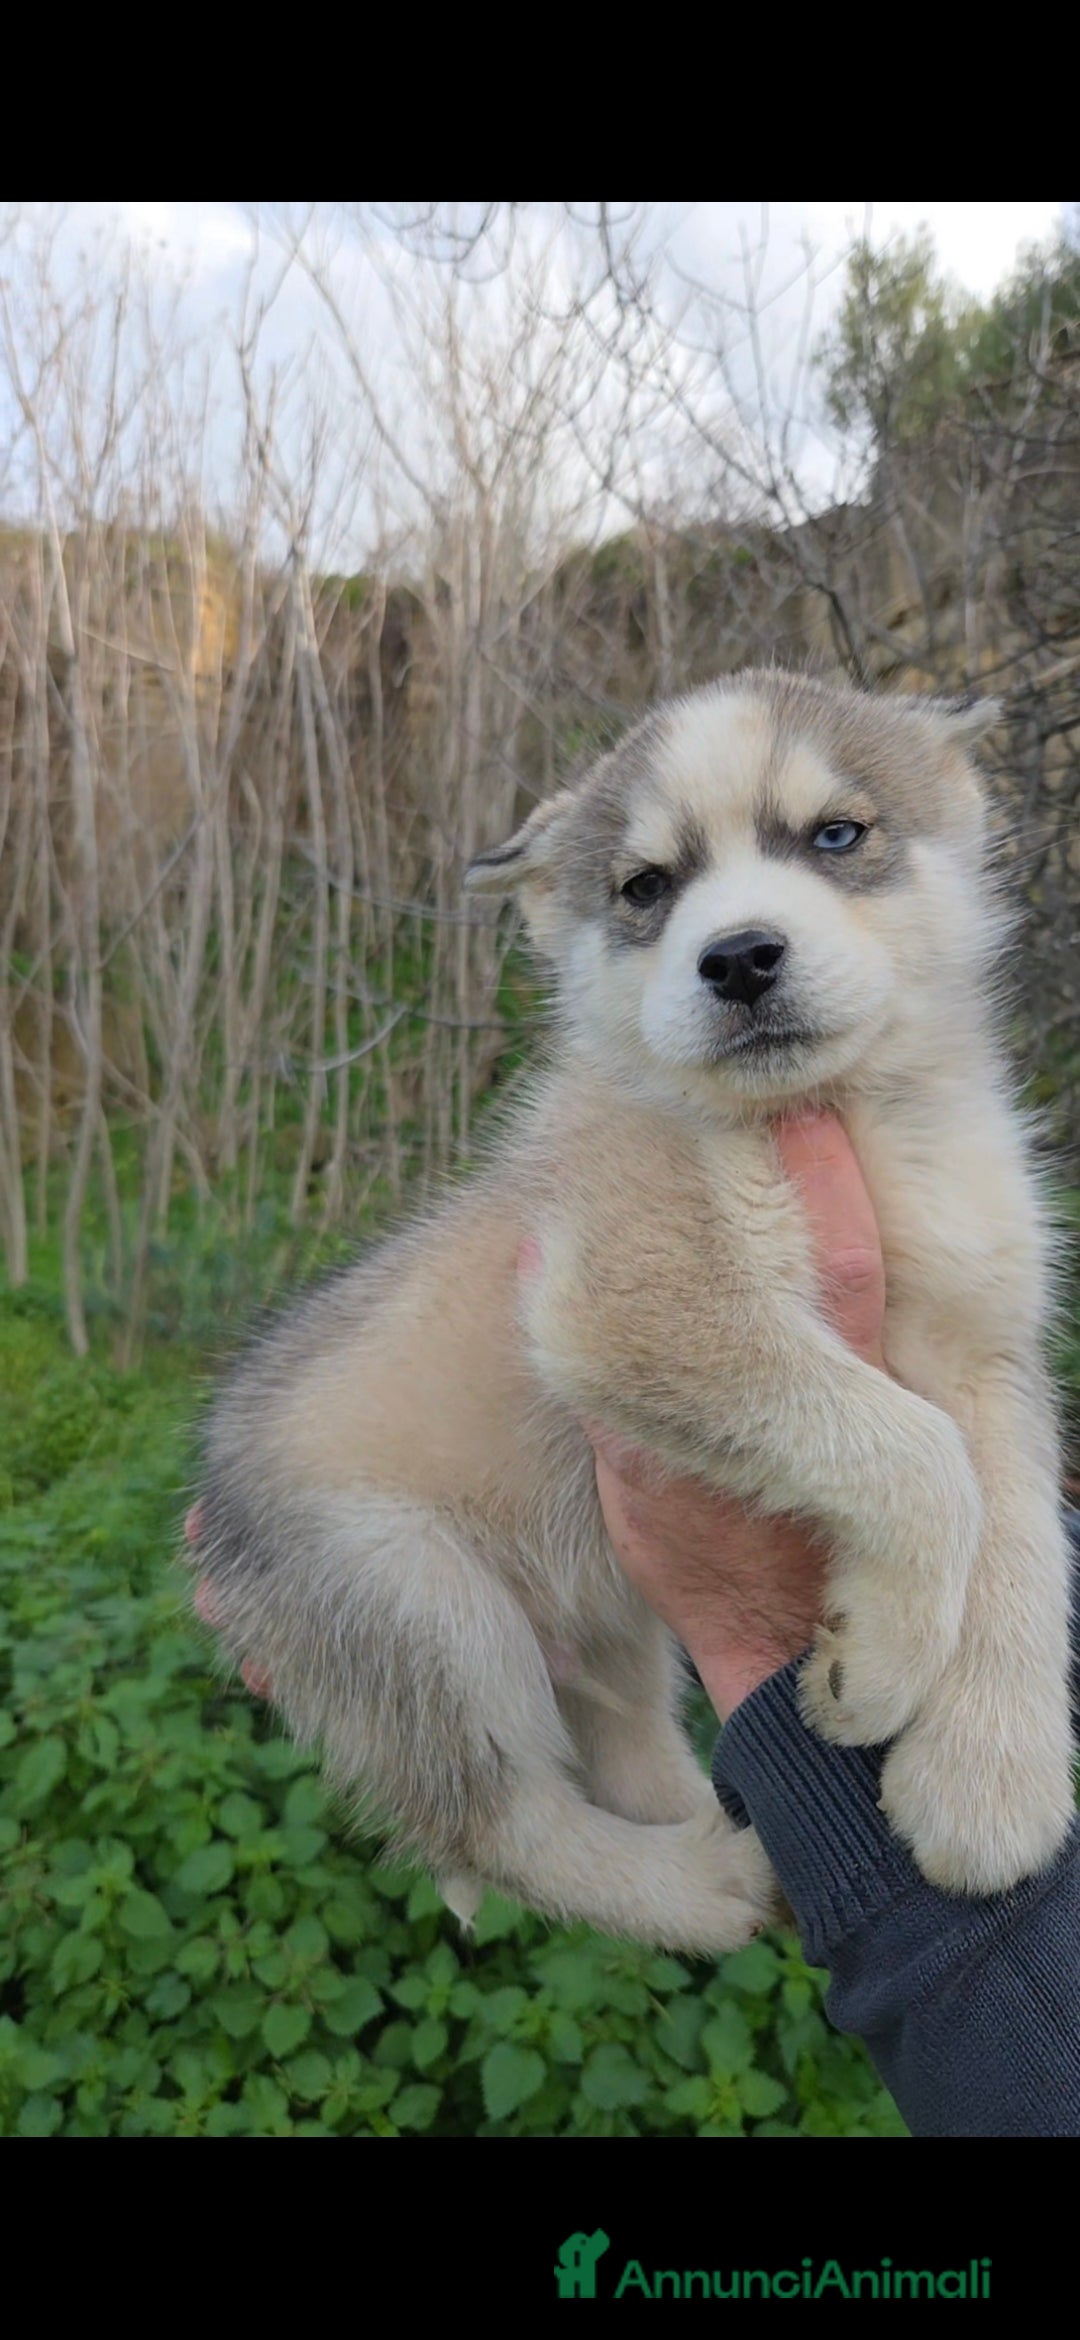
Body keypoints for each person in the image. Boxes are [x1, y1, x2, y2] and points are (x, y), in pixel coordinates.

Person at [186, 1115, 1080, 2138]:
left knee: (641, 1696)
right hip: (402, 1495)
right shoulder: (667, 1121)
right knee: (448, 1608)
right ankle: (531, 1839)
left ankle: (652, 1788)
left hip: (599, 1539)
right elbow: (647, 1347)